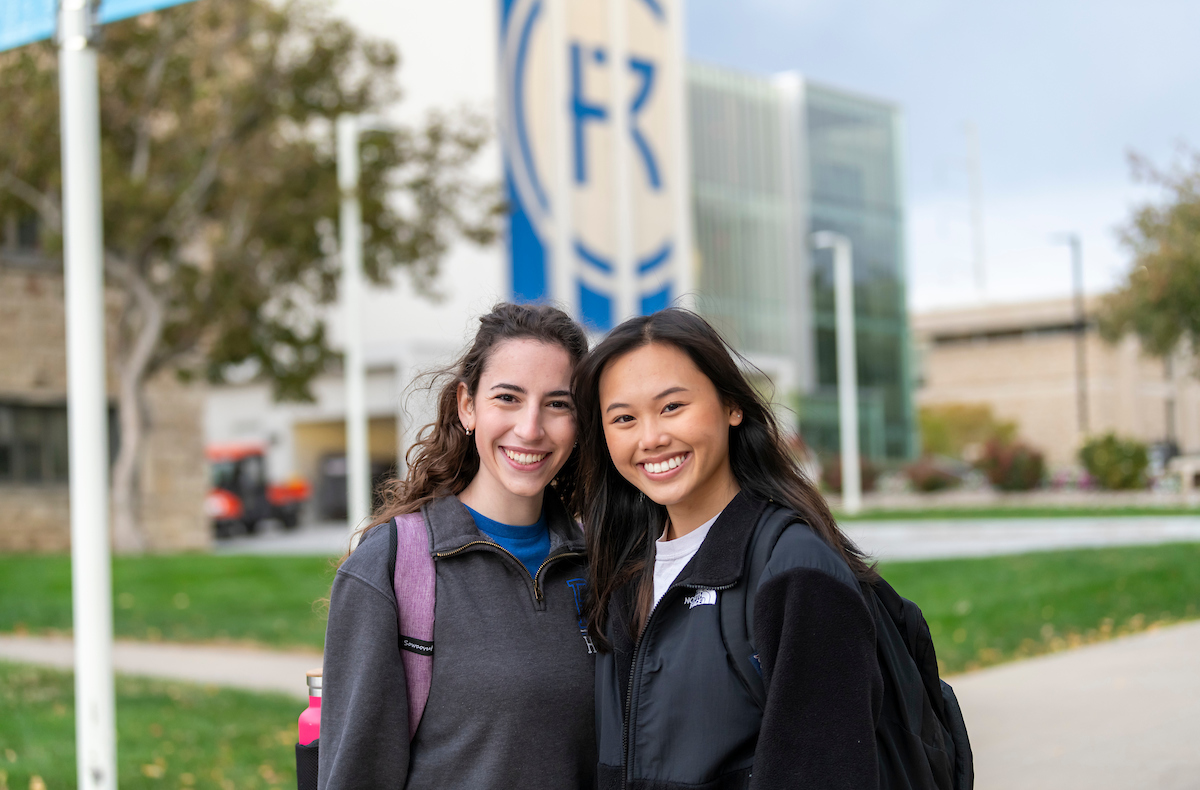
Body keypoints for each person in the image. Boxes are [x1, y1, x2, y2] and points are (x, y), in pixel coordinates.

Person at [574, 308, 883, 790]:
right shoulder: (624, 570)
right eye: (624, 418)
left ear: (732, 406)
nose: (651, 438)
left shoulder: (795, 570)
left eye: (672, 407)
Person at [318, 303, 597, 790]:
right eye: (508, 398)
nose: (530, 428)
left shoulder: (603, 564)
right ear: (468, 406)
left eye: (558, 404)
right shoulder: (391, 569)